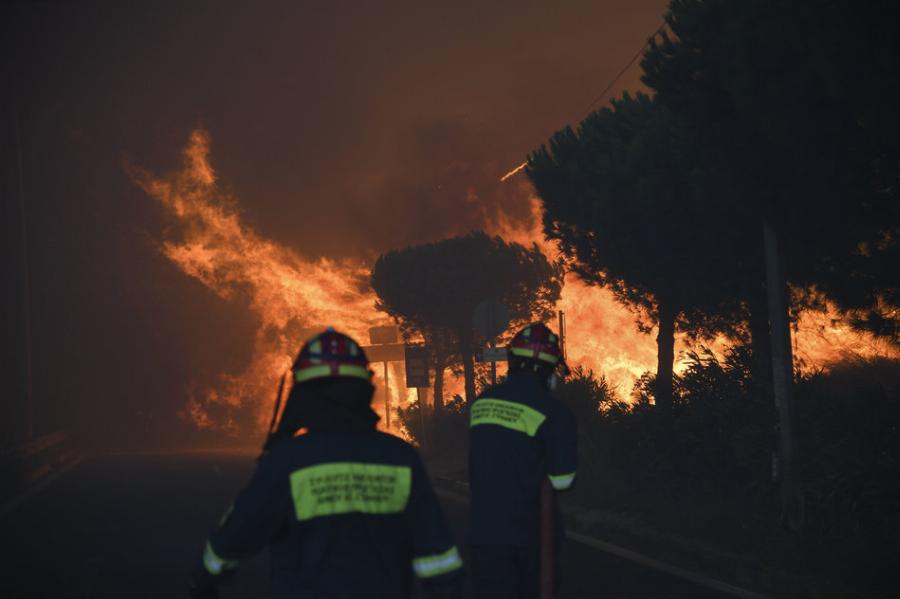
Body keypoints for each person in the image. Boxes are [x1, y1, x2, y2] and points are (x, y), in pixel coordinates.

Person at [189, 328, 463, 599]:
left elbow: (236, 534)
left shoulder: (288, 461)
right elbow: (438, 554)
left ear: (303, 396)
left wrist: (206, 577)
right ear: (364, 390)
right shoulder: (401, 458)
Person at [468, 322, 577, 599]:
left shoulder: (483, 403)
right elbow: (563, 480)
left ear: (512, 361)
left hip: (483, 529)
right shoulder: (554, 412)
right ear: (550, 370)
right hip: (530, 534)